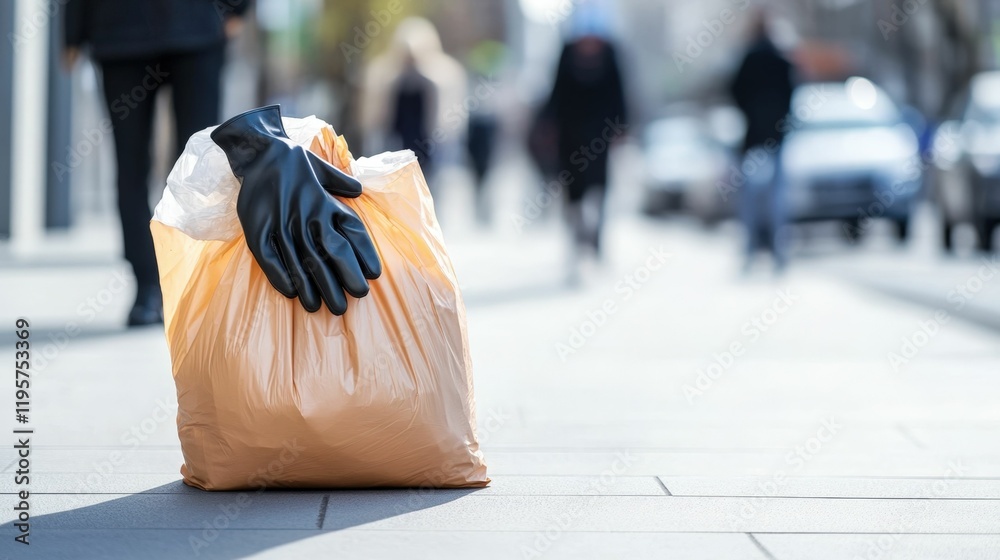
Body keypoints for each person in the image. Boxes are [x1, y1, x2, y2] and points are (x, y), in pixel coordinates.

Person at [64, 0, 250, 326]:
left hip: (196, 28)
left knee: (199, 167)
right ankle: (148, 285)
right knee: (131, 164)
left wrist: (237, 9)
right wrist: (72, 30)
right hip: (123, 32)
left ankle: (190, 282)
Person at [545, 11, 627, 284]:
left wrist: (622, 127)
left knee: (600, 189)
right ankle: (577, 243)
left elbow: (620, 92)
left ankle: (597, 244)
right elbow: (556, 92)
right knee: (574, 192)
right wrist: (547, 125)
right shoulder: (567, 53)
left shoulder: (610, 52)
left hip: (600, 137)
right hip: (570, 137)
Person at [729, 12, 795, 272]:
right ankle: (779, 252)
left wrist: (749, 113)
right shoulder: (781, 59)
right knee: (777, 196)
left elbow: (734, 90)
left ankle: (750, 250)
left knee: (751, 197)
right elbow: (791, 93)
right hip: (776, 137)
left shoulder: (748, 59)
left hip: (754, 136)